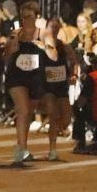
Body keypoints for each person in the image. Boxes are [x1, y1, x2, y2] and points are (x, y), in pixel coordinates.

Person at [3, 0, 44, 164]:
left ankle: (23, 146)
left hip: (35, 78)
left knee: (28, 114)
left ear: (37, 17)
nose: (26, 20)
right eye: (24, 17)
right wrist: (10, 48)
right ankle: (20, 149)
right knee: (24, 110)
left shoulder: (43, 34)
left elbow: (54, 53)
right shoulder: (15, 34)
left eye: (29, 16)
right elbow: (6, 57)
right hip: (17, 76)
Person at [39, 17, 77, 161]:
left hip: (61, 86)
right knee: (54, 115)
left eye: (56, 27)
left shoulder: (64, 46)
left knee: (66, 119)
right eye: (51, 27)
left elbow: (74, 61)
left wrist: (74, 74)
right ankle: (52, 149)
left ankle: (53, 130)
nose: (54, 30)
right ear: (46, 28)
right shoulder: (40, 45)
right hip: (47, 86)